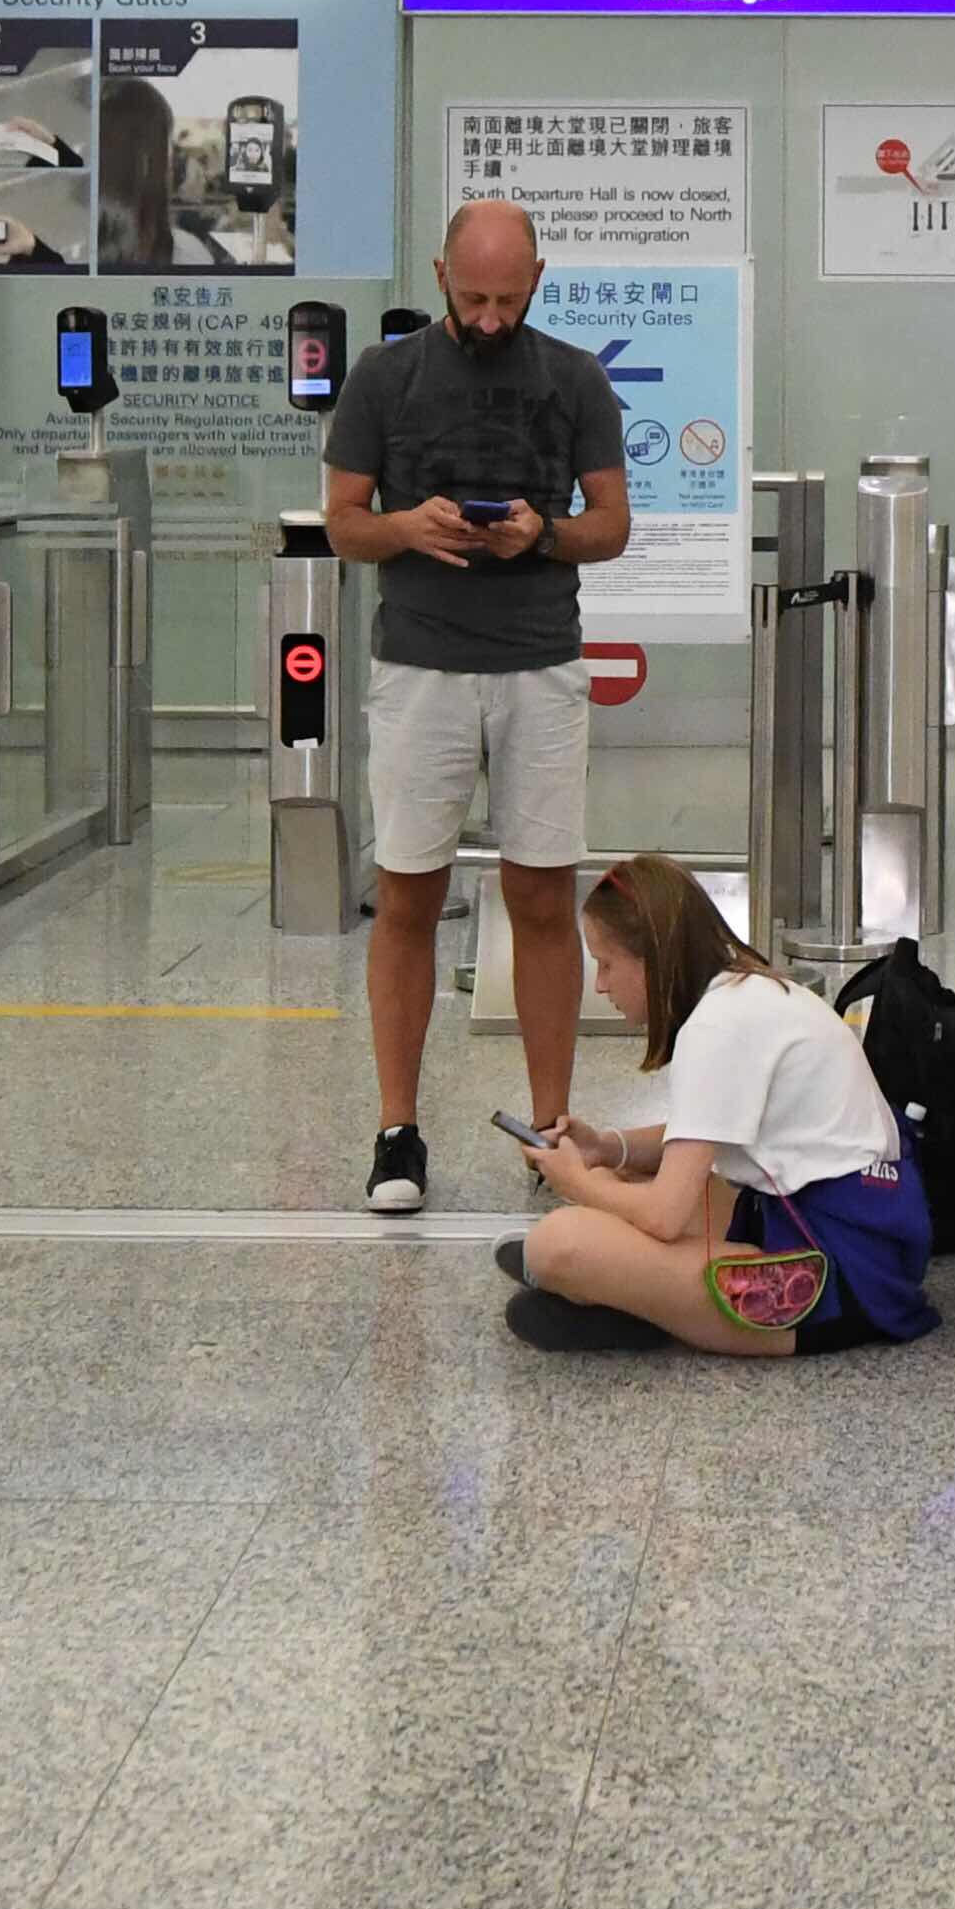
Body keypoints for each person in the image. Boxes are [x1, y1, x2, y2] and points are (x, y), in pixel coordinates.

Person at [321, 197, 635, 1213]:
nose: (490, 317)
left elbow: (612, 525)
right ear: (440, 277)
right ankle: (397, 1131)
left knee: (542, 896)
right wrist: (407, 527)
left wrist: (542, 534)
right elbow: (343, 523)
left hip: (541, 664)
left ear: (537, 279)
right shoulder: (384, 376)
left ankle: (551, 1131)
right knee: (407, 894)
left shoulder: (575, 378)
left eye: (508, 298)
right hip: (420, 667)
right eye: (472, 298)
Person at [498, 853, 934, 1356]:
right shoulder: (741, 993)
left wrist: (577, 1182)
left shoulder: (716, 1027)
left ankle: (637, 1298)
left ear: (653, 959)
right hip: (849, 1236)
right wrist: (606, 1148)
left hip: (835, 1282)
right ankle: (643, 1296)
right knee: (620, 1186)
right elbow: (705, 1130)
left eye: (606, 964)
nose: (600, 983)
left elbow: (664, 1216)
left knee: (557, 1243)